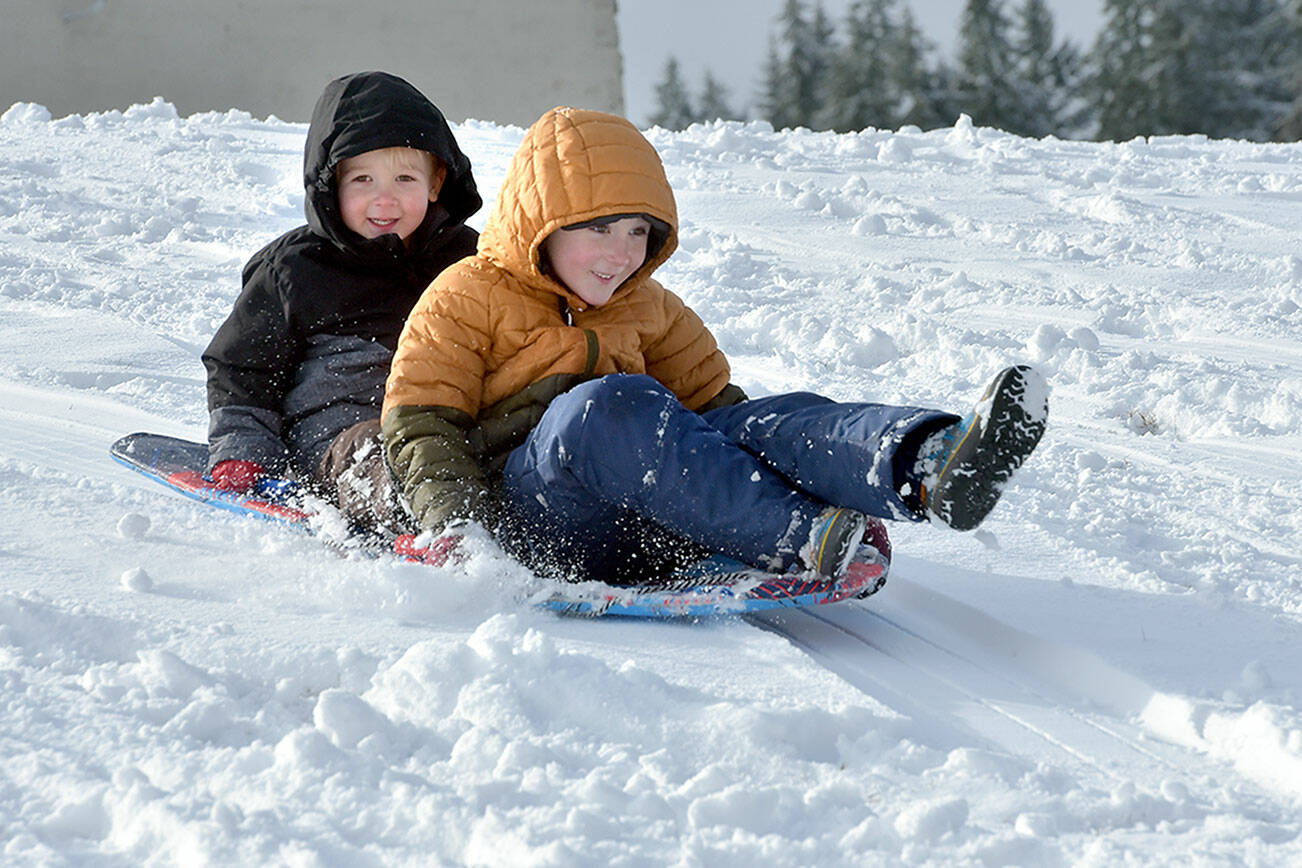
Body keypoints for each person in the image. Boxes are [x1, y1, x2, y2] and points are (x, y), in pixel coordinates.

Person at [382, 106, 1047, 583]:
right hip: (538, 526)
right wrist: (459, 529)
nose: (621, 255)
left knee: (759, 419)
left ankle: (925, 464)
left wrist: (774, 450)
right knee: (602, 411)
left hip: (653, 522)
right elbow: (421, 425)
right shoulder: (466, 296)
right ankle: (800, 536)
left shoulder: (650, 307)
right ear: (541, 225)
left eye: (639, 232)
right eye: (600, 230)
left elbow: (718, 419)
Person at [202, 71, 481, 534]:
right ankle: (439, 529)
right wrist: (244, 451)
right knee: (379, 451)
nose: (384, 198)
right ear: (331, 185)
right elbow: (242, 369)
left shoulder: (468, 261)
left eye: (405, 178)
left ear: (436, 185)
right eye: (363, 179)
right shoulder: (296, 270)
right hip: (342, 443)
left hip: (442, 426)